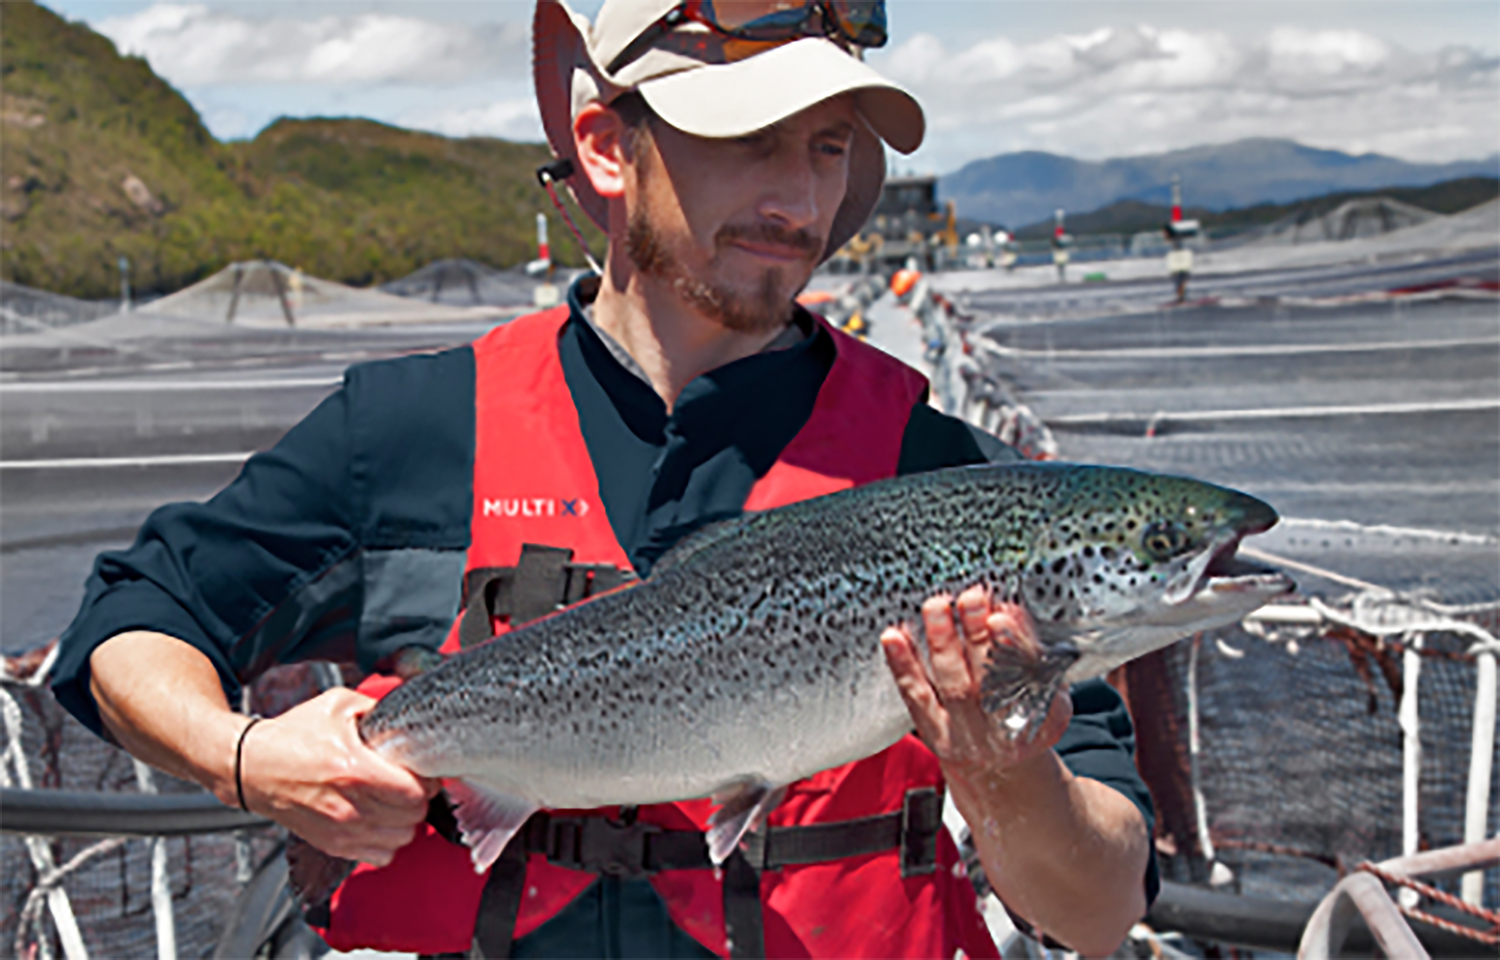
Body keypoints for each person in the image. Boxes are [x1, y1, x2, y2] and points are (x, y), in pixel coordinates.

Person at [51, 1, 1156, 956]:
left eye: (828, 148)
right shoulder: (410, 429)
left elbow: (1100, 911)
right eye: (751, 140)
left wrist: (1006, 775)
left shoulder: (956, 485)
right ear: (606, 146)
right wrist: (249, 759)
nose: (800, 201)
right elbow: (137, 621)